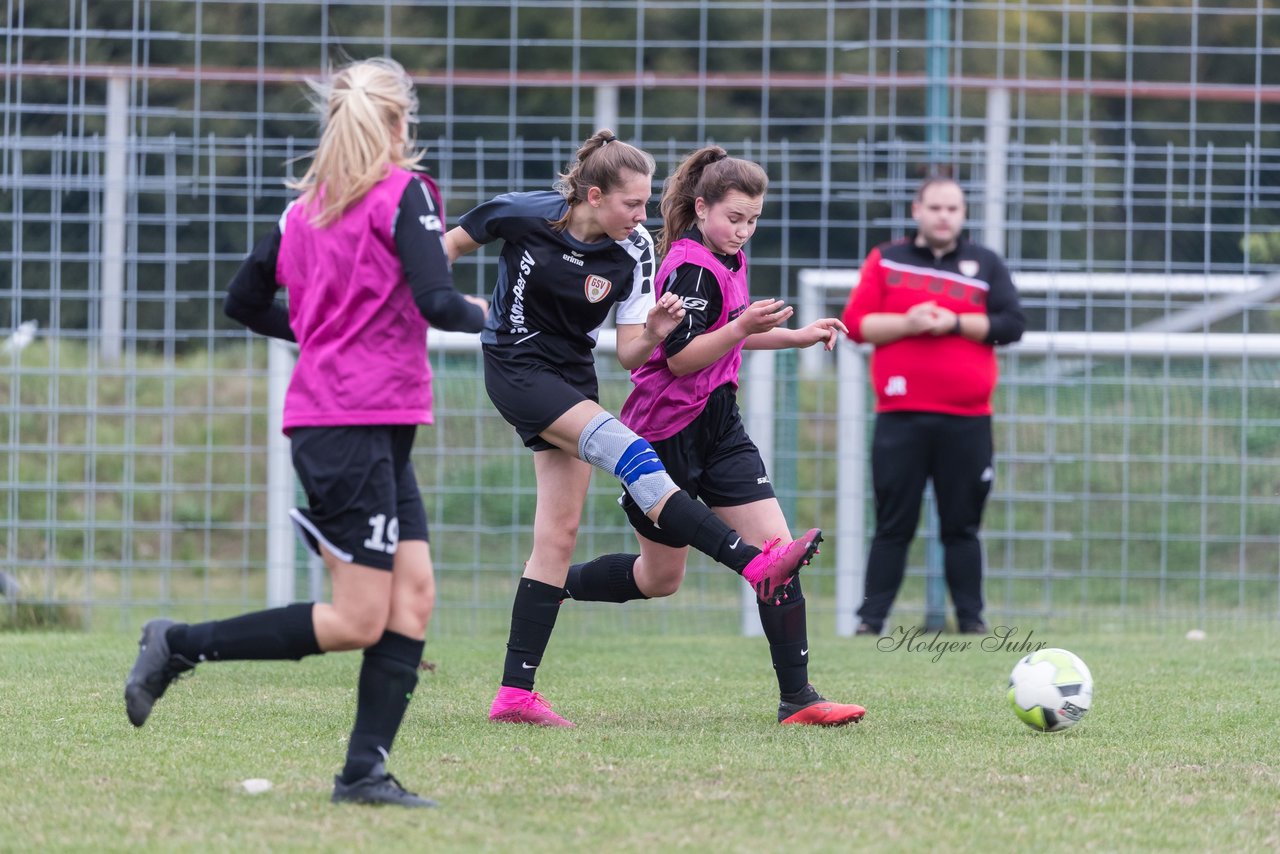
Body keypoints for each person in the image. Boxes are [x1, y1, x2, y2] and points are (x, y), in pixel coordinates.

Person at [124, 57, 488, 808]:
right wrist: (521, 322)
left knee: (411, 597)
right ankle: (179, 643)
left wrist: (323, 333)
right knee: (360, 618)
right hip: (345, 427)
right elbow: (441, 304)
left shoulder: (302, 211)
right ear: (398, 124)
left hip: (364, 422)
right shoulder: (405, 194)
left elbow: (242, 300)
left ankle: (363, 774)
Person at [444, 130, 823, 728]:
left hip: (572, 379)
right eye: (632, 204)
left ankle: (515, 695)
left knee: (558, 536)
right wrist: (425, 300)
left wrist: (655, 326)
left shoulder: (636, 249)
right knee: (633, 452)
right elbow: (445, 249)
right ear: (593, 196)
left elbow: (628, 352)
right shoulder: (525, 214)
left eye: (647, 204)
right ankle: (752, 563)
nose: (643, 216)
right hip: (516, 368)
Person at [563, 145, 866, 726]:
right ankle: (554, 584)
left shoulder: (726, 258)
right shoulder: (690, 266)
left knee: (779, 555)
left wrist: (795, 336)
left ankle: (798, 699)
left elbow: (732, 334)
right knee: (660, 580)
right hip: (664, 434)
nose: (743, 231)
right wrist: (742, 327)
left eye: (753, 220)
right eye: (734, 218)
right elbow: (680, 359)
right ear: (701, 209)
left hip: (720, 424)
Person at [840, 174, 1025, 636]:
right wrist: (910, 322)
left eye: (953, 209)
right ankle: (870, 621)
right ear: (916, 210)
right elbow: (856, 324)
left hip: (969, 420)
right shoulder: (887, 259)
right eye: (936, 207)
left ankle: (971, 620)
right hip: (899, 417)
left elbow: (1012, 323)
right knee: (892, 524)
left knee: (961, 527)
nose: (944, 217)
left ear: (963, 215)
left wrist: (955, 323)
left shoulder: (986, 263)